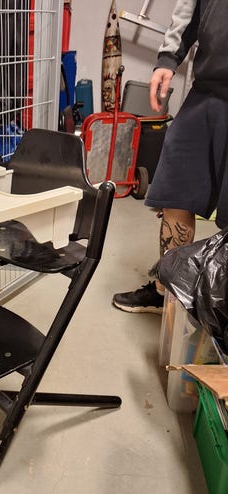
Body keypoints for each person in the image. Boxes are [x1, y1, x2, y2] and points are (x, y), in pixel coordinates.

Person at [112, 0, 228, 313]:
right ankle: (168, 292)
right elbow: (190, 7)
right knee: (176, 191)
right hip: (207, 90)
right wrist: (168, 58)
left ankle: (220, 313)